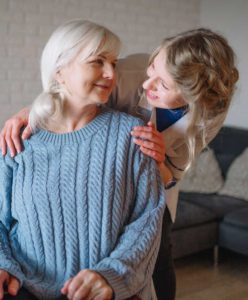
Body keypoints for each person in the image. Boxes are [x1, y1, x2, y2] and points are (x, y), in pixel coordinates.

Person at [0, 28, 239, 300]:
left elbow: (169, 180)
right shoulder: (127, 72)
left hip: (148, 183)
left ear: (191, 98)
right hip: (99, 169)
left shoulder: (206, 117)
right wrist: (27, 114)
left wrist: (156, 163)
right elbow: (68, 100)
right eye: (152, 70)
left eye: (162, 84)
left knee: (159, 274)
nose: (147, 84)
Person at [0, 19, 166, 300]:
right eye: (98, 61)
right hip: (23, 288)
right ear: (60, 71)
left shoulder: (132, 134)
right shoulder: (19, 139)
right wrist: (3, 265)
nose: (111, 73)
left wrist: (111, 276)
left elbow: (147, 220)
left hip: (101, 291)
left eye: (113, 62)